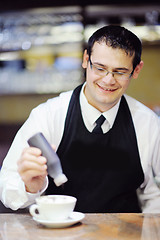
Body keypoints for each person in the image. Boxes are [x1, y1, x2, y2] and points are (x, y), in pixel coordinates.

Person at [0, 25, 160, 213]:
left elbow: (154, 195)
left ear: (136, 70)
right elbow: (7, 189)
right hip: (59, 232)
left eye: (120, 71)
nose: (108, 80)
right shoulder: (48, 115)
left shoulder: (148, 123)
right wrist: (30, 187)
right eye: (100, 68)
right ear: (86, 60)